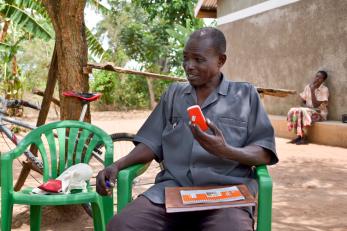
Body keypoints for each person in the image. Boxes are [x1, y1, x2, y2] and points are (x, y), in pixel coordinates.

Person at [96, 27, 278, 231]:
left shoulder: (246, 95)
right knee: (122, 225)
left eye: (199, 60)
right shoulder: (173, 94)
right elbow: (151, 143)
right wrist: (117, 166)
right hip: (172, 191)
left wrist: (225, 150)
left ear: (221, 61)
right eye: (185, 58)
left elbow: (263, 151)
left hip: (226, 196)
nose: (189, 66)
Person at [287, 71, 329, 145]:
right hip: (308, 112)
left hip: (319, 115)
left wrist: (312, 90)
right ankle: (299, 135)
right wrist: (306, 107)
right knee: (294, 111)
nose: (317, 79)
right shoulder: (308, 87)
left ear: (323, 80)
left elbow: (316, 105)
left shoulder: (324, 89)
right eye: (316, 76)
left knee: (302, 112)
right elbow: (303, 100)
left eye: (320, 78)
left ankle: (304, 138)